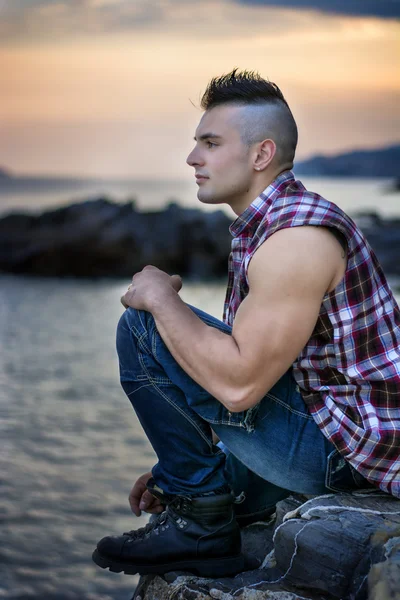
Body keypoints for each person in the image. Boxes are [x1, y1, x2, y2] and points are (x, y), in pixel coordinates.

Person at [92, 69, 400, 578]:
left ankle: (201, 525)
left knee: (144, 327)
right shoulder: (273, 225)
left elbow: (240, 387)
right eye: (197, 143)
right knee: (178, 336)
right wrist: (182, 468)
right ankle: (203, 493)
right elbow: (287, 381)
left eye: (210, 143)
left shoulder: (296, 240)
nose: (193, 158)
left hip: (347, 457)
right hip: (338, 434)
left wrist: (158, 297)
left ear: (261, 154)